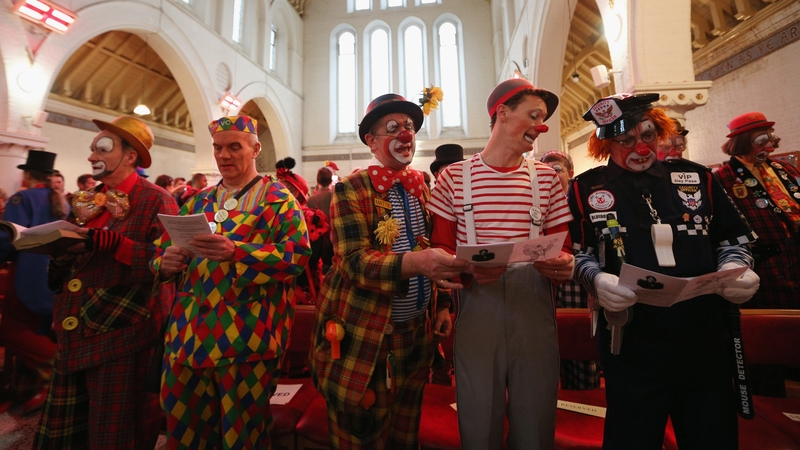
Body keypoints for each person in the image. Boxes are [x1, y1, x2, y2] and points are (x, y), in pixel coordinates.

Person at [570, 93, 760, 449]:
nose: (640, 148)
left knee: (711, 433)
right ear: (607, 143)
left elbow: (732, 240)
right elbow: (579, 254)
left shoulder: (697, 177)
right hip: (631, 341)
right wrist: (595, 278)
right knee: (633, 436)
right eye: (625, 141)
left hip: (702, 335)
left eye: (647, 136)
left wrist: (737, 267)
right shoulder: (585, 188)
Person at [310, 93, 469, 449]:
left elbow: (432, 249)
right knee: (363, 434)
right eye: (393, 128)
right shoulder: (352, 188)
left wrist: (441, 303)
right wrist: (414, 263)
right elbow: (352, 261)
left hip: (417, 335)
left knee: (405, 434)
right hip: (367, 338)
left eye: (410, 127)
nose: (405, 134)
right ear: (371, 140)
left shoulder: (421, 188)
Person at [426, 78, 573, 449]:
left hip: (534, 312)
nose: (542, 126)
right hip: (478, 309)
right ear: (503, 114)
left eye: (543, 119)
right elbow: (441, 252)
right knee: (478, 420)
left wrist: (564, 265)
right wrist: (463, 269)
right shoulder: (453, 177)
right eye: (534, 115)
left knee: (537, 421)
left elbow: (565, 248)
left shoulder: (547, 179)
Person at [152, 115, 311, 449]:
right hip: (187, 338)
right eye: (218, 148)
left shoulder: (279, 199)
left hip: (246, 339)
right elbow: (162, 251)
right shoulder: (198, 201)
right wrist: (164, 263)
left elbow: (296, 256)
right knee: (185, 429)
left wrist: (238, 252)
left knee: (242, 434)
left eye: (234, 147)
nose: (223, 155)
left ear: (255, 149)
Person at [37, 115, 179, 449]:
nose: (91, 157)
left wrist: (116, 245)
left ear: (130, 156)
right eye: (91, 150)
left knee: (115, 431)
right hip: (75, 333)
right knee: (71, 431)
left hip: (123, 334)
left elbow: (172, 266)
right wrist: (58, 252)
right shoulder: (86, 199)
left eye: (102, 149)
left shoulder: (157, 200)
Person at [0, 150, 66, 414]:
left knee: (11, 328)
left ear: (27, 175)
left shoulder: (22, 197)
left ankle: (54, 366)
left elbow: (9, 236)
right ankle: (30, 386)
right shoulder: (60, 200)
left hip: (26, 271)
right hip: (50, 274)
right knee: (37, 328)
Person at [714, 112, 799, 310]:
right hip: (768, 268)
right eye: (761, 140)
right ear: (742, 142)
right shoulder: (722, 179)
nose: (769, 147)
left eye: (771, 138)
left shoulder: (785, 168)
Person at [540, 150, 601, 391]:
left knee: (580, 345)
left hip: (577, 281)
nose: (552, 177)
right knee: (549, 352)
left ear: (570, 174)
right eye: (546, 172)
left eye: (557, 171)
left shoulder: (582, 202)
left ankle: (583, 403)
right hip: (547, 283)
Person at [306, 164, 336, 292]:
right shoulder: (335, 195)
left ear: (318, 181)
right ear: (331, 180)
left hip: (318, 242)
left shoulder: (311, 200)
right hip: (335, 238)